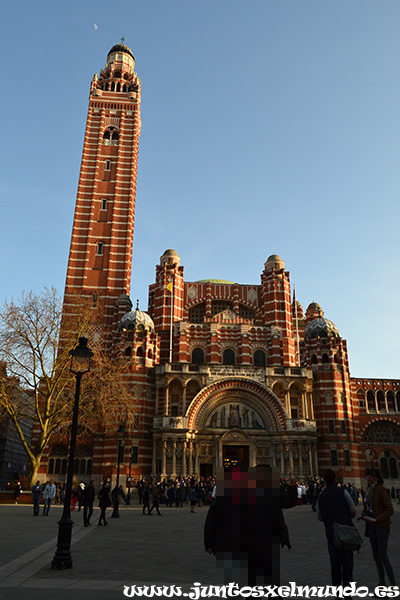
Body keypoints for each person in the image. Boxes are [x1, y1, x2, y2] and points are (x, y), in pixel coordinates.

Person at [204, 466, 297, 586]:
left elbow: (287, 503)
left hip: (268, 538)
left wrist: (292, 487)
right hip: (249, 539)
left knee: (270, 575)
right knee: (252, 577)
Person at [317, 469, 356, 586]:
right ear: (335, 479)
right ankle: (347, 594)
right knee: (348, 564)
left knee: (335, 564)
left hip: (332, 532)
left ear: (324, 480)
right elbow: (353, 510)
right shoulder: (343, 492)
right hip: (346, 531)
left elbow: (319, 517)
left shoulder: (321, 495)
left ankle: (337, 594)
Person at [361, 468, 396, 586]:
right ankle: (382, 587)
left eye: (371, 476)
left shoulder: (380, 489)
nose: (368, 478)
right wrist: (364, 515)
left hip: (382, 525)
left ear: (376, 478)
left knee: (383, 556)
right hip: (371, 525)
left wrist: (376, 518)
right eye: (367, 475)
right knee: (376, 556)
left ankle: (394, 587)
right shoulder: (369, 490)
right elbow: (369, 507)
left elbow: (389, 509)